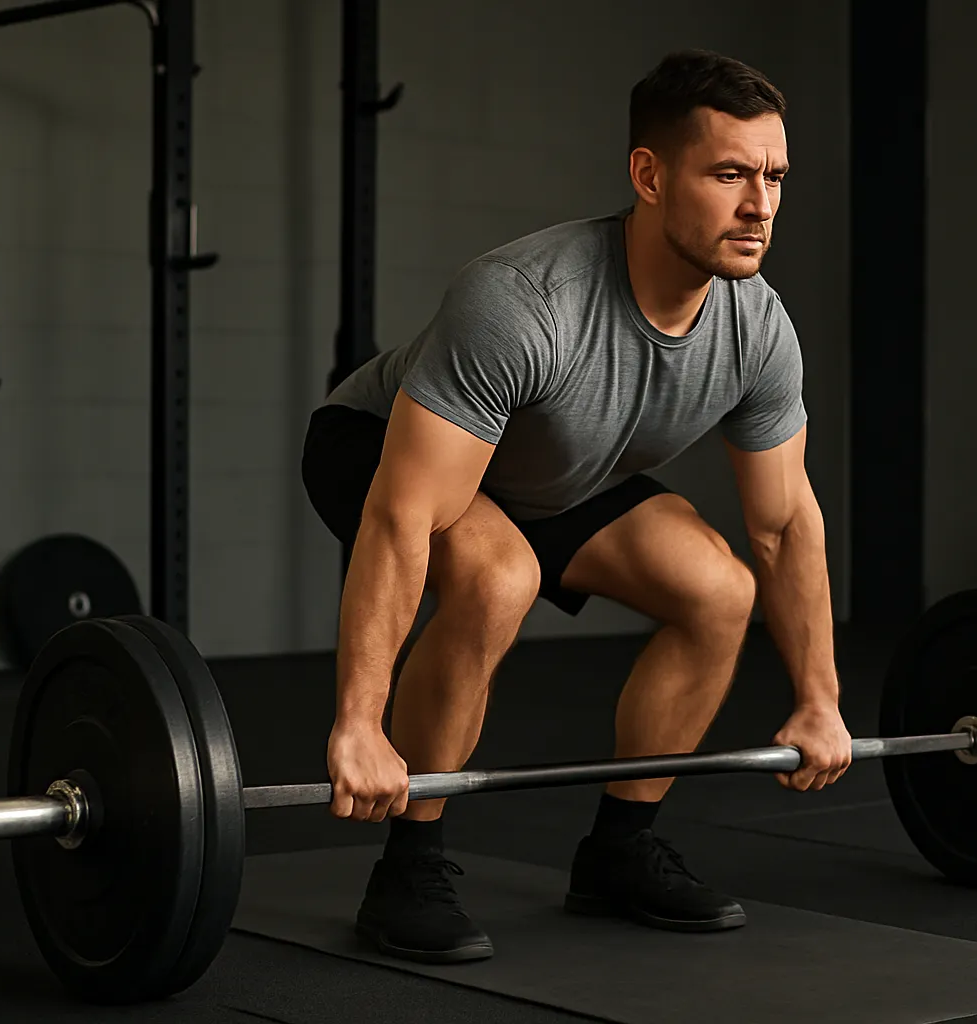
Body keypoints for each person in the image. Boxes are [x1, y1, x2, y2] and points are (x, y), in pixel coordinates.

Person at [300, 48, 851, 965]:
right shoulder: (524, 303)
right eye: (728, 175)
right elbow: (405, 517)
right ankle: (409, 862)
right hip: (377, 447)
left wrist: (819, 701)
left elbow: (784, 523)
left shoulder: (758, 329)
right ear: (648, 174)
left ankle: (620, 851)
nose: (760, 206)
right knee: (496, 573)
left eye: (774, 177)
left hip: (561, 471)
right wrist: (358, 723)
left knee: (718, 591)